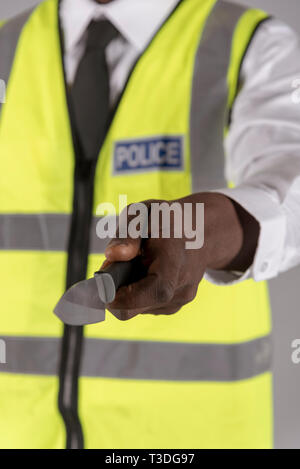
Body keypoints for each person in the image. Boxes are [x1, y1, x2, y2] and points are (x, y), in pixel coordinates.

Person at [0, 0, 300, 450]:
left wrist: (203, 233)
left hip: (189, 441)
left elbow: (290, 180)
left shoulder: (249, 45)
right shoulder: (7, 46)